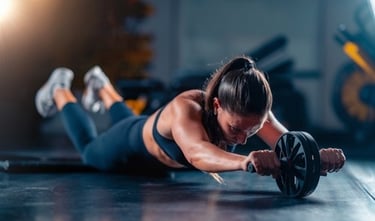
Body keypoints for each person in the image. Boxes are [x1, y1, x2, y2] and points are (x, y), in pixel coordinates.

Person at [35, 56, 345, 182]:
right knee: (91, 151)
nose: (242, 139)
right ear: (216, 105)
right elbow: (197, 152)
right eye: (236, 129)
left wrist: (318, 157)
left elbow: (289, 147)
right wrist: (243, 161)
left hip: (147, 145)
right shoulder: (187, 109)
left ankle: (102, 87)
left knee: (126, 119)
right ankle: (61, 89)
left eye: (251, 131)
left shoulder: (250, 113)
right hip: (130, 146)